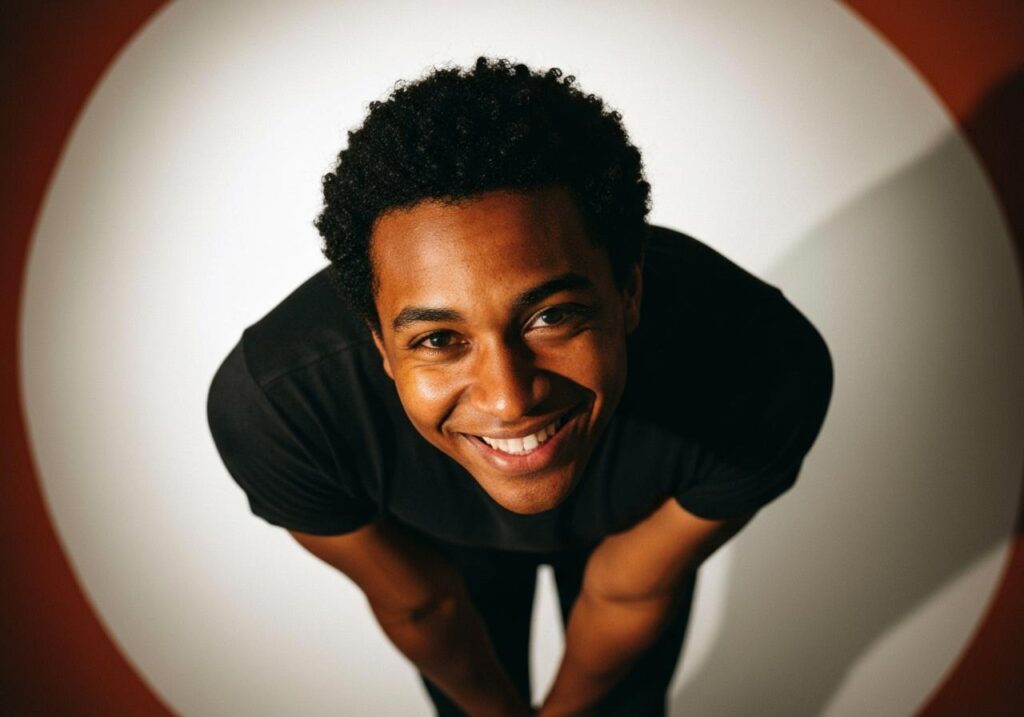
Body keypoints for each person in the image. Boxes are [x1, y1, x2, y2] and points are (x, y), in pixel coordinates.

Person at [207, 57, 833, 716]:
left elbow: (629, 591)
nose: (509, 399)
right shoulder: (279, 407)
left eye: (551, 317)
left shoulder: (762, 366)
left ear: (629, 293)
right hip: (439, 530)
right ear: (379, 345)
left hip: (639, 509)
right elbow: (423, 605)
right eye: (438, 340)